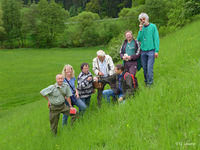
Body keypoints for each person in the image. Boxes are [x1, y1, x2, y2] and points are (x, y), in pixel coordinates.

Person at [137, 12, 159, 86]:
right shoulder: (141, 29)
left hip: (151, 51)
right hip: (143, 52)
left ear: (147, 19)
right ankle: (146, 82)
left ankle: (150, 84)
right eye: (141, 19)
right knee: (145, 69)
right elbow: (139, 39)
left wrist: (156, 51)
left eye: (144, 19)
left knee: (149, 68)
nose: (142, 20)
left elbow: (156, 39)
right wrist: (140, 30)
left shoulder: (153, 26)